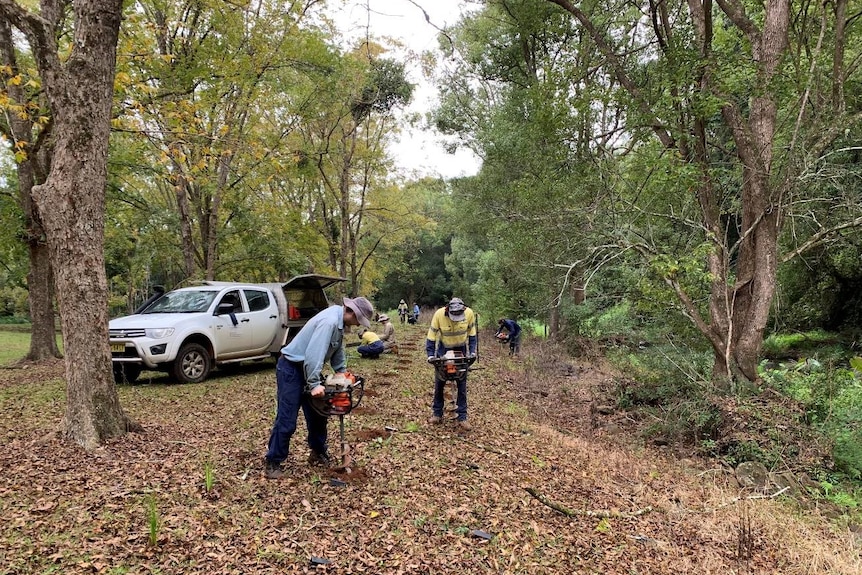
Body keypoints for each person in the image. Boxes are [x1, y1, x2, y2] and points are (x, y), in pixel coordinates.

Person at [264, 296, 374, 479]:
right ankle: (273, 461)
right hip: (292, 369)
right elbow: (313, 356)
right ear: (352, 313)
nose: (356, 325)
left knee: (318, 414)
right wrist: (314, 384)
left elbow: (337, 349)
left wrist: (342, 373)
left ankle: (317, 452)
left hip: (307, 369)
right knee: (287, 419)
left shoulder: (339, 325)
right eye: (357, 320)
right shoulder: (329, 322)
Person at [425, 297, 477, 430]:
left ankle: (462, 417)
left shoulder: (469, 313)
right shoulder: (439, 314)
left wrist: (472, 353)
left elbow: (472, 334)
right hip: (444, 349)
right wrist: (430, 355)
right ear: (448, 310)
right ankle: (437, 413)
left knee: (462, 384)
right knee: (440, 382)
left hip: (461, 349)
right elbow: (431, 336)